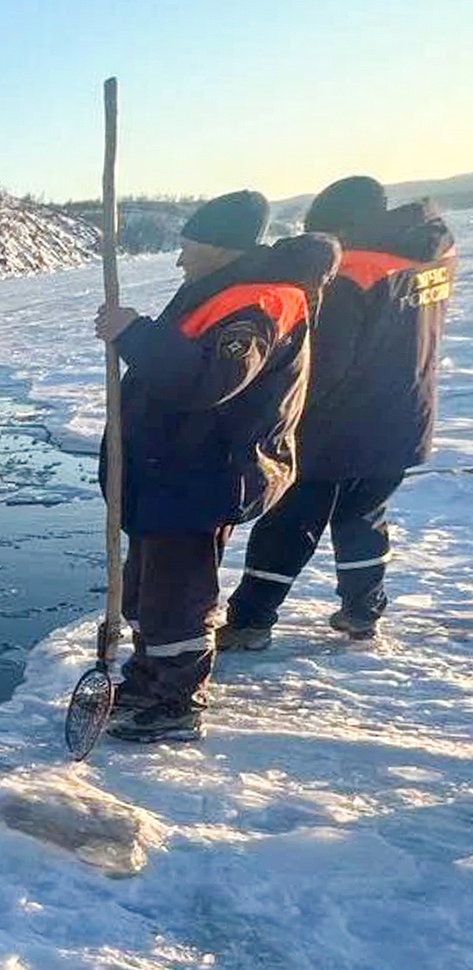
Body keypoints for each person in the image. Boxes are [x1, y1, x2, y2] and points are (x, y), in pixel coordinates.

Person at [93, 190, 339, 743]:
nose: (180, 259)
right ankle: (148, 679)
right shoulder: (223, 291)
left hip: (202, 475)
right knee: (147, 591)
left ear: (221, 248)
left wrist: (134, 334)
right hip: (171, 470)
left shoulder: (259, 304)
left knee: (177, 597)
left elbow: (209, 381)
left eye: (189, 247)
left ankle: (176, 703)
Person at [218, 177, 457, 648]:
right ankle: (363, 611)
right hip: (404, 416)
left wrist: (281, 411)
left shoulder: (352, 272)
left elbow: (324, 360)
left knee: (289, 519)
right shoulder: (429, 254)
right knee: (363, 515)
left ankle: (250, 621)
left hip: (339, 423)